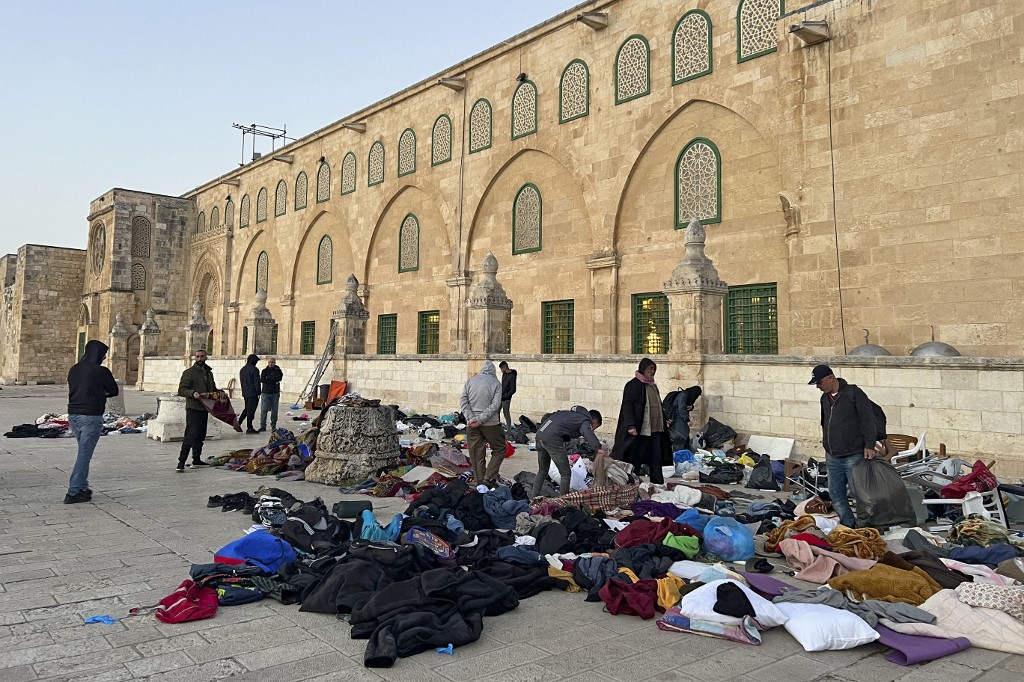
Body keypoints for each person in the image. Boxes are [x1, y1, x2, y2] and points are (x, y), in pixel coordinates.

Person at [810, 364, 881, 528]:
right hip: (833, 455)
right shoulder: (824, 399)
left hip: (853, 454)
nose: (818, 387)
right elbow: (825, 423)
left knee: (861, 494)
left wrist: (869, 445)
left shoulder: (854, 393)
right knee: (836, 494)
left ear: (830, 378)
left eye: (819, 383)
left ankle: (867, 527)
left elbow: (868, 420)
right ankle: (848, 525)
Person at [64, 340, 119, 504]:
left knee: (83, 452)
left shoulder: (74, 369)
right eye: (103, 355)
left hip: (73, 415)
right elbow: (114, 391)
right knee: (84, 456)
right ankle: (73, 492)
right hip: (91, 416)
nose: (103, 358)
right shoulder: (101, 371)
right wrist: (101, 394)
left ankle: (82, 487)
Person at [611, 358, 672, 484]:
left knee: (656, 458)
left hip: (656, 429)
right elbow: (627, 406)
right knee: (635, 458)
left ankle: (657, 484)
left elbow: (658, 405)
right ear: (643, 369)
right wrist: (630, 425)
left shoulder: (652, 386)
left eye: (654, 369)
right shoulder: (633, 385)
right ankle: (633, 484)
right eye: (650, 369)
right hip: (641, 430)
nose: (652, 371)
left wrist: (665, 419)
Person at [532, 406, 604, 498]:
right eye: (595, 427)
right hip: (552, 439)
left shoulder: (570, 415)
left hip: (540, 435)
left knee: (542, 471)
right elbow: (587, 431)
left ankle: (533, 497)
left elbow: (548, 418)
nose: (593, 429)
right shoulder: (585, 420)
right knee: (565, 473)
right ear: (594, 421)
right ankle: (563, 501)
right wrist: (598, 448)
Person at [177, 349, 229, 472]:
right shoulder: (189, 373)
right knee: (190, 435)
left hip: (205, 408)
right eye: (198, 356)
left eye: (202, 356)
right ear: (195, 358)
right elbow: (182, 389)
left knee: (200, 435)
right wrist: (192, 393)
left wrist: (220, 393)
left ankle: (196, 459)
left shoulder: (208, 373)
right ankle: (181, 461)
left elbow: (212, 389)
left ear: (206, 357)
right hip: (193, 407)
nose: (200, 358)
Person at [459, 359, 506, 488]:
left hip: (472, 424)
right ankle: (488, 477)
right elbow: (495, 406)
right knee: (500, 449)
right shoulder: (496, 384)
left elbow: (463, 401)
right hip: (491, 424)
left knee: (476, 452)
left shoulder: (470, 381)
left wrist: (471, 418)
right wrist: (480, 420)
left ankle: (480, 481)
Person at [665, 385, 702, 453]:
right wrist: (686, 418)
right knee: (680, 437)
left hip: (679, 419)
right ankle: (679, 453)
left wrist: (691, 407)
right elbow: (681, 409)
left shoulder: (685, 395)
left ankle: (684, 452)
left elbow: (687, 406)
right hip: (678, 419)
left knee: (684, 436)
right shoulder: (683, 395)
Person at [259, 357, 283, 433]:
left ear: (275, 362)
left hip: (275, 392)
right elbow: (262, 380)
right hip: (265, 392)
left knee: (274, 410)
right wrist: (272, 379)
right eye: (269, 362)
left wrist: (269, 379)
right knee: (264, 409)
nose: (271, 364)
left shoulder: (278, 371)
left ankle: (273, 424)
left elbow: (279, 378)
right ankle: (263, 425)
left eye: (272, 362)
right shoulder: (264, 371)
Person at [239, 354, 261, 434]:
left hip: (245, 392)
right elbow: (256, 382)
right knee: (251, 411)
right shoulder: (254, 370)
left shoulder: (243, 369)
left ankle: (239, 422)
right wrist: (259, 392)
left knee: (247, 408)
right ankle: (249, 427)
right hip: (253, 393)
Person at [498, 361, 517, 430]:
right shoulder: (504, 374)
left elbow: (513, 389)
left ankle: (509, 429)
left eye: (501, 369)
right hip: (500, 396)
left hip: (506, 398)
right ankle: (497, 427)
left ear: (504, 368)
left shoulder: (512, 376)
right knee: (496, 411)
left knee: (506, 413)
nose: (501, 371)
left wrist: (506, 396)